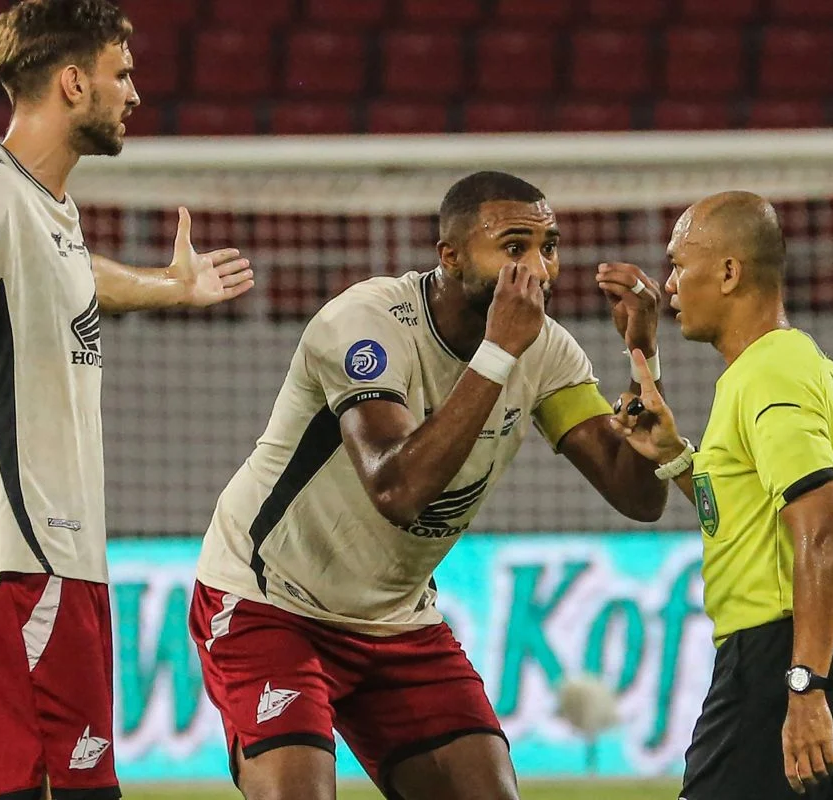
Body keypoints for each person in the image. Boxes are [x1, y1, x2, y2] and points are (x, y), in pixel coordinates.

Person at [189, 171, 671, 800]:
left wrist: (644, 361)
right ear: (449, 257)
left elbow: (639, 497)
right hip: (270, 601)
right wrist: (497, 352)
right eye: (514, 247)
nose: (539, 269)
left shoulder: (546, 352)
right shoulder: (366, 322)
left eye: (548, 247)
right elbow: (396, 489)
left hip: (396, 621)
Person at [0, 2, 254, 799]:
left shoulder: (49, 213)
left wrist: (173, 287)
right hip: (15, 556)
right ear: (74, 81)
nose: (135, 94)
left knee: (86, 789)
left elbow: (80, 273)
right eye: (122, 74)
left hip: (66, 556)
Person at [606, 191, 833, 799]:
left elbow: (822, 528)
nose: (668, 285)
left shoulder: (769, 372)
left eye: (680, 265)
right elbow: (751, 515)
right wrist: (675, 460)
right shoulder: (788, 364)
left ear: (730, 272)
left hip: (783, 654)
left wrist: (804, 686)